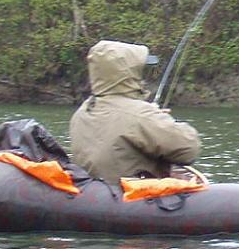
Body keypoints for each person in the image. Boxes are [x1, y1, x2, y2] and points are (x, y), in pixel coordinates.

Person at [69, 39, 202, 184]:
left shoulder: (82, 112)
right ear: (128, 74)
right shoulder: (140, 115)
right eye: (140, 71)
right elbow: (190, 148)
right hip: (135, 200)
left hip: (97, 198)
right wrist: (157, 118)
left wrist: (152, 117)